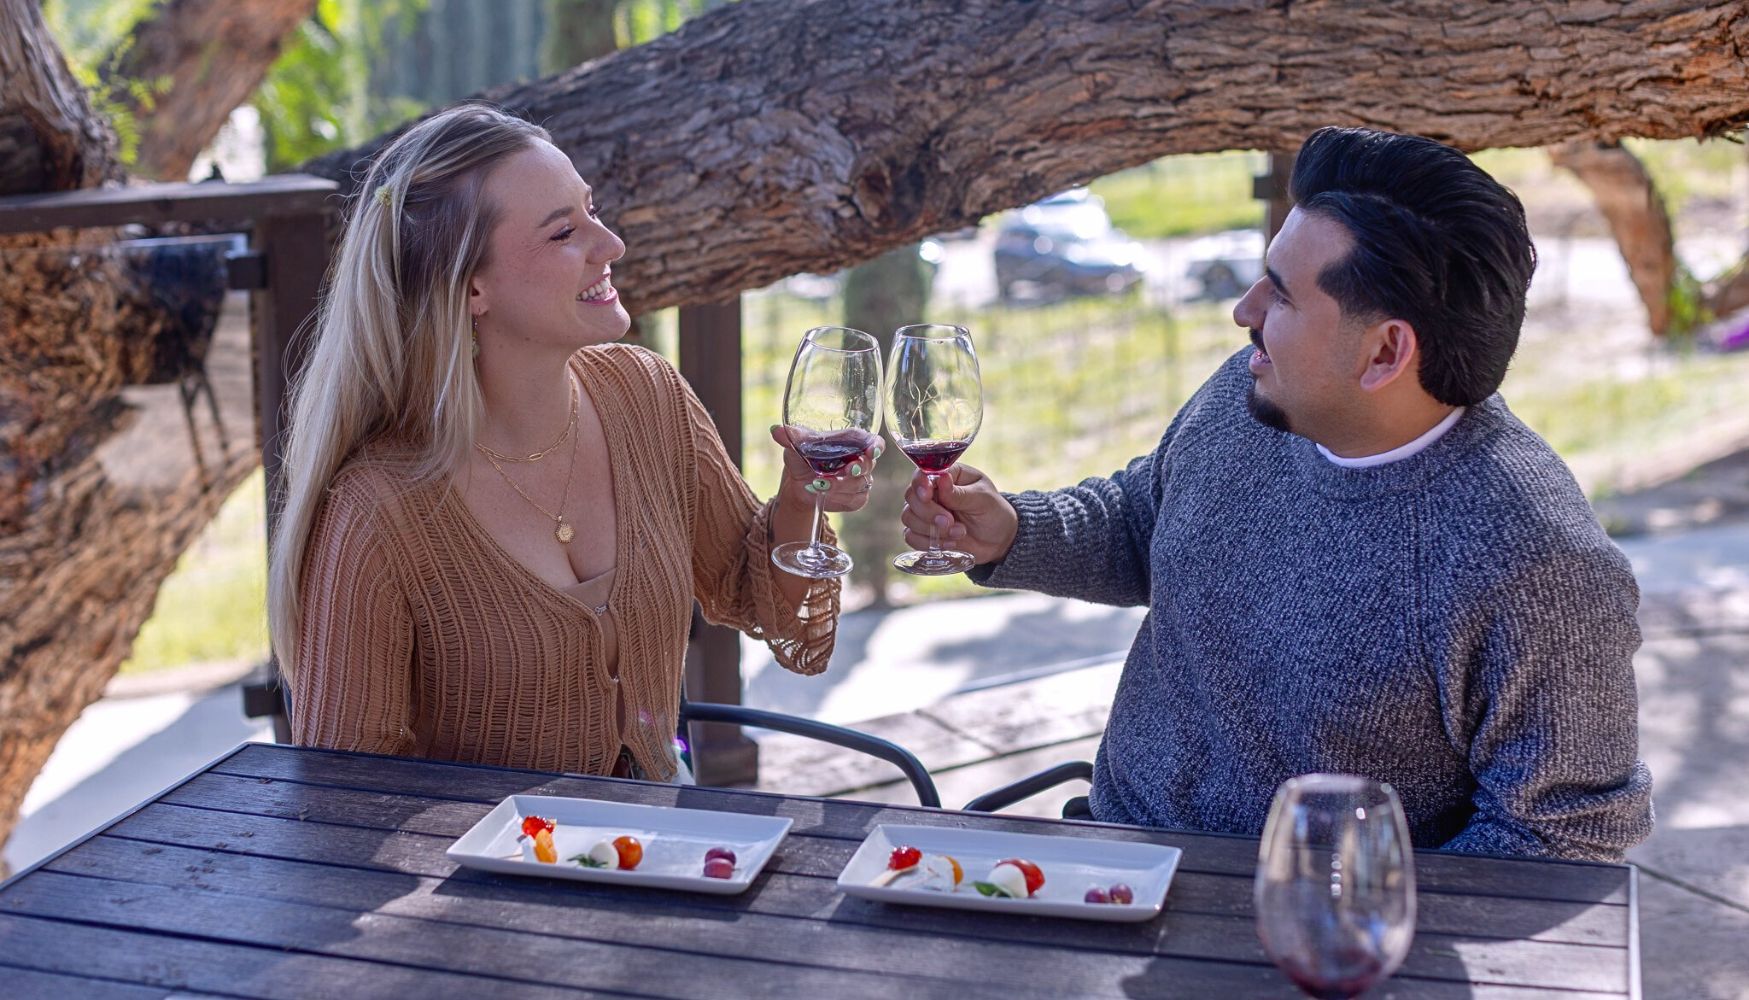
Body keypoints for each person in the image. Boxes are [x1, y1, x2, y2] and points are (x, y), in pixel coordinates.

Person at [907, 127, 1653, 861]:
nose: (1244, 311)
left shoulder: (1539, 567)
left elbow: (1561, 838)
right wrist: (1010, 532)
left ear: (1383, 352)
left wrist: (1334, 918)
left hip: (1316, 948)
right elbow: (1148, 520)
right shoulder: (1254, 388)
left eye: (1282, 297)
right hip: (1111, 855)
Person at [267, 103, 877, 781]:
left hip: (661, 849)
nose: (609, 244)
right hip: (474, 878)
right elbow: (340, 800)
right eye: (564, 233)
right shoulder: (380, 512)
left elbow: (767, 606)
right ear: (471, 287)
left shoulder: (648, 398)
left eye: (592, 210)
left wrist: (800, 500)